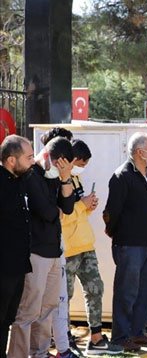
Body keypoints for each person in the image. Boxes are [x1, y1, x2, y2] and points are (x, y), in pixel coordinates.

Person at [9, 137, 76, 358]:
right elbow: (48, 213)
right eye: (60, 165)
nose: (61, 170)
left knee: (46, 311)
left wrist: (66, 180)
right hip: (36, 253)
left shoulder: (56, 176)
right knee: (28, 312)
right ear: (49, 157)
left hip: (54, 252)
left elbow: (66, 208)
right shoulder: (32, 175)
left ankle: (40, 353)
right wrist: (57, 198)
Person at [60, 140, 123, 355]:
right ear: (72, 159)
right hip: (67, 249)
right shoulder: (59, 181)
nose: (83, 167)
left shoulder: (75, 179)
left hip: (85, 244)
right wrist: (81, 206)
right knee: (64, 297)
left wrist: (88, 207)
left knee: (96, 288)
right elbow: (60, 217)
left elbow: (76, 213)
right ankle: (64, 338)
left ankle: (96, 338)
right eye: (82, 162)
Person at [103, 132, 147, 352]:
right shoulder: (122, 176)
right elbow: (112, 211)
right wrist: (116, 233)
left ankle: (136, 333)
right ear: (139, 151)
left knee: (146, 290)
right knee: (127, 291)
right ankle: (120, 336)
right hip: (129, 244)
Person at [0, 135, 34, 358]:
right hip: (3, 265)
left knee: (6, 320)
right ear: (12, 160)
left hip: (17, 264)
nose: (33, 161)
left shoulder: (19, 181)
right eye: (28, 157)